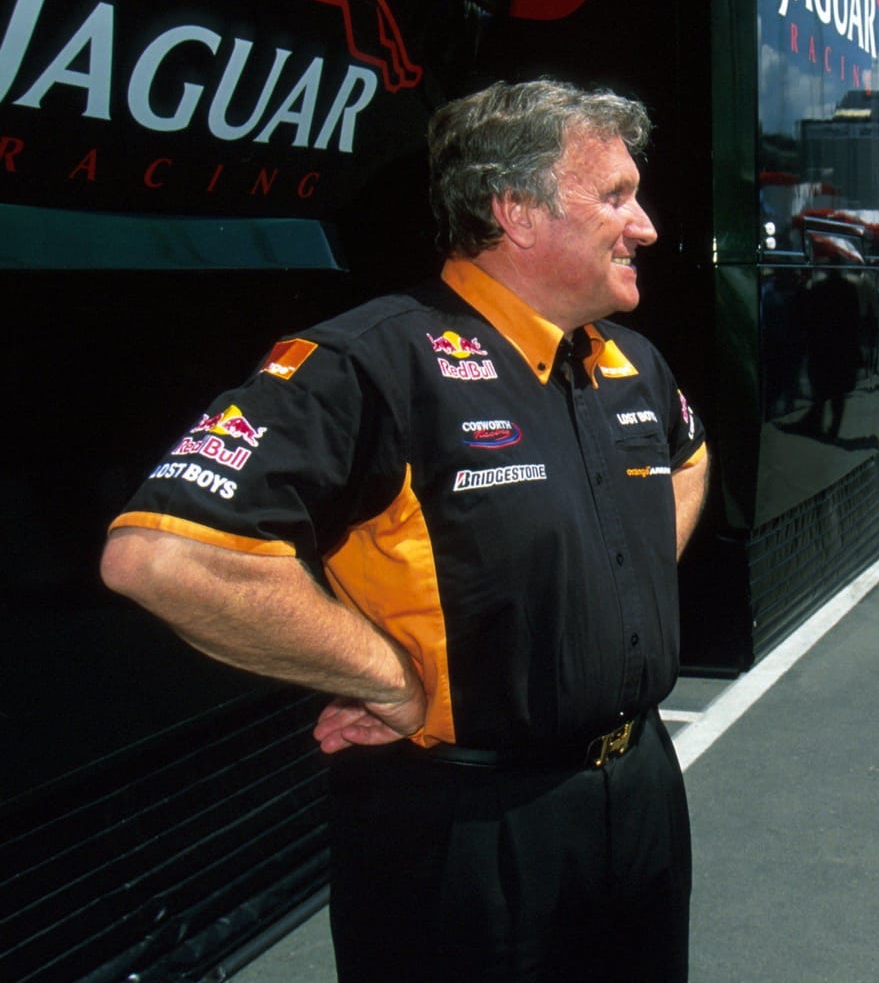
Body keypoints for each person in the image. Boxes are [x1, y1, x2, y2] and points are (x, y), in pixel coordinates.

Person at [99, 80, 709, 981]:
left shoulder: (628, 361)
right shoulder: (374, 361)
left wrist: (606, 592)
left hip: (643, 793)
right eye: (615, 196)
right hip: (462, 823)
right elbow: (163, 555)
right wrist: (381, 674)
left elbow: (689, 461)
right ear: (516, 212)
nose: (646, 224)